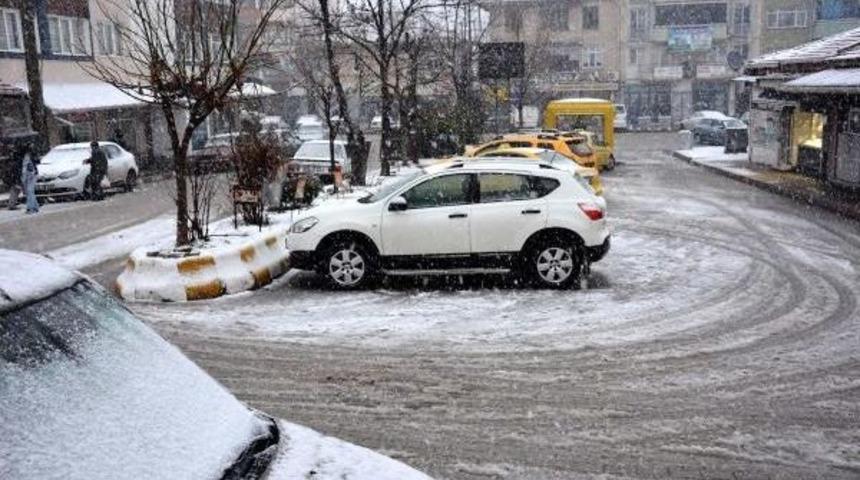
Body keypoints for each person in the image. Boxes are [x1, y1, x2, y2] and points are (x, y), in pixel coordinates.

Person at [1, 143, 23, 210]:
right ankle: (12, 205)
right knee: (15, 190)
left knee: (15, 190)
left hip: (11, 177)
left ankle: (12, 204)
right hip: (13, 177)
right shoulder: (13, 161)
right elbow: (14, 171)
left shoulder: (9, 158)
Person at [20, 142, 39, 214]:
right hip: (25, 174)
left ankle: (31, 208)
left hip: (31, 174)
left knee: (29, 191)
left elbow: (37, 161)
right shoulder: (22, 156)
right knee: (29, 191)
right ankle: (35, 206)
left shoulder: (31, 155)